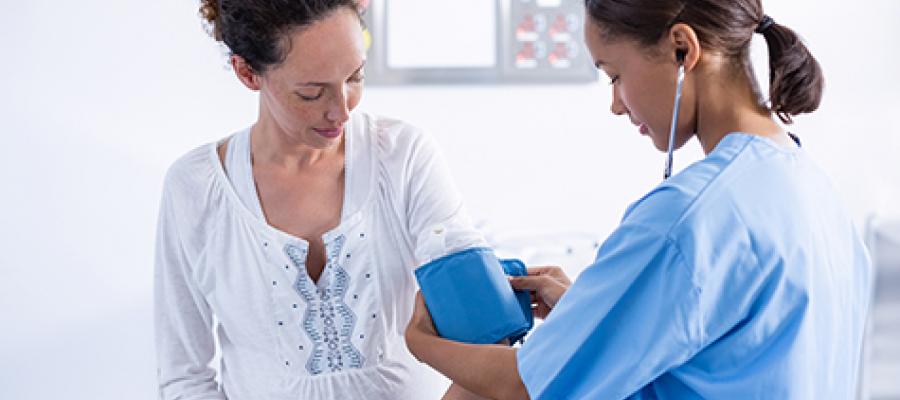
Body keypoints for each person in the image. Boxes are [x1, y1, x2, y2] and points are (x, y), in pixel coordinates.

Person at [405, 0, 873, 398]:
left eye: (613, 74)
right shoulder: (814, 190)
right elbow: (736, 353)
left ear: (682, 48)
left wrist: (422, 341)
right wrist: (587, 317)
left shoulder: (686, 218)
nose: (616, 103)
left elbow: (528, 387)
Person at [154, 1, 486, 398]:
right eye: (312, 93)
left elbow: (483, 325)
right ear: (247, 73)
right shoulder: (195, 187)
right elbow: (185, 377)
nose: (341, 111)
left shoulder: (404, 157)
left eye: (355, 77)